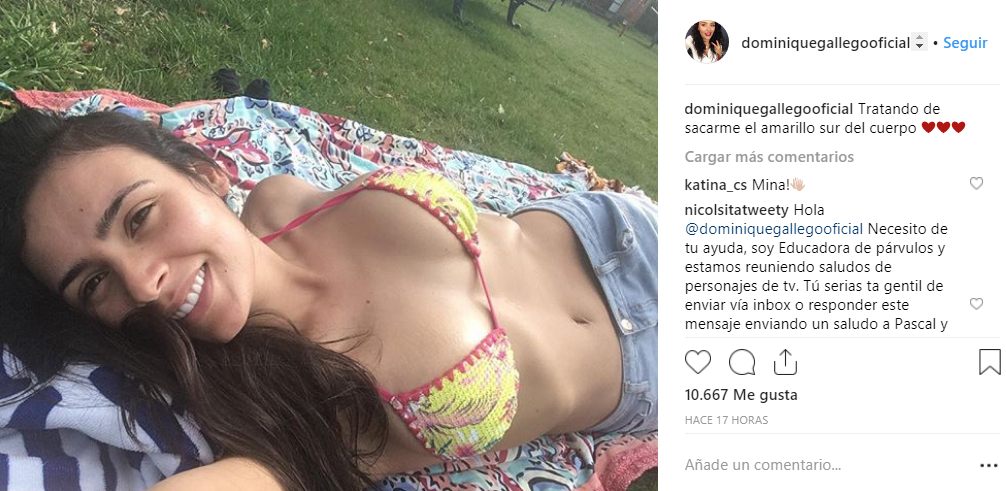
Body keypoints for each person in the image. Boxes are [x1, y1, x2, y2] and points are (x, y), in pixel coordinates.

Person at [0, 109, 658, 491]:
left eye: (140, 216)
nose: (142, 284)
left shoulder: (278, 199)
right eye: (94, 283)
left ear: (206, 173)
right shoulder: (287, 402)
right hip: (654, 362)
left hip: (603, 225)